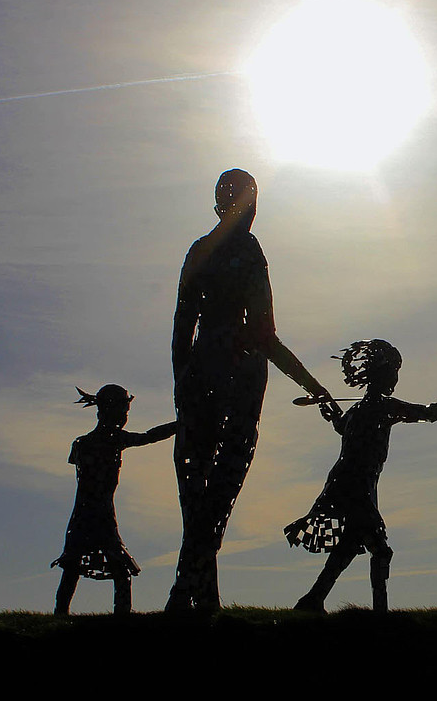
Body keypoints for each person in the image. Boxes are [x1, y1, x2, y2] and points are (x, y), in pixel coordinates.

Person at [168, 168, 336, 611]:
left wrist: (181, 381)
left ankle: (200, 597)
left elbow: (182, 328)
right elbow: (265, 334)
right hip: (238, 377)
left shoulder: (199, 250)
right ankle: (187, 592)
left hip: (201, 373)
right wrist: (312, 384)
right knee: (217, 490)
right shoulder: (248, 251)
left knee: (199, 492)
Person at [286, 339, 437, 613]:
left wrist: (330, 410)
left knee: (348, 547)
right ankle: (379, 611)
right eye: (393, 373)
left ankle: (312, 600)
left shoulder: (358, 410)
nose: (395, 379)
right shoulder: (383, 407)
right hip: (357, 484)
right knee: (380, 550)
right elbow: (429, 413)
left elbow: (340, 425)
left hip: (347, 482)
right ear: (382, 376)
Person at [52, 385, 176, 615]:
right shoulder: (113, 439)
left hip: (81, 512)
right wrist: (178, 425)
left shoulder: (80, 443)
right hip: (101, 512)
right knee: (118, 568)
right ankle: (122, 613)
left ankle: (61, 612)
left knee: (72, 566)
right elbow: (148, 437)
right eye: (123, 411)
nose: (125, 417)